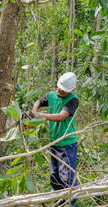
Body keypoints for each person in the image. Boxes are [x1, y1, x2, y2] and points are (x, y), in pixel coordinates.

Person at [32, 72, 79, 206]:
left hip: (67, 143)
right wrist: (34, 111)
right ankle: (59, 202)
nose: (60, 92)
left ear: (70, 90)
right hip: (54, 142)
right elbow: (38, 102)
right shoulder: (52, 95)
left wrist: (39, 115)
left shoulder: (73, 100)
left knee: (67, 178)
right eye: (59, 88)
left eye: (64, 91)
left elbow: (61, 116)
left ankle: (70, 203)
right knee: (55, 176)